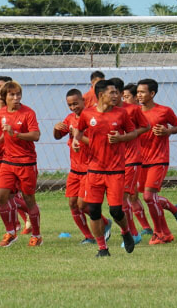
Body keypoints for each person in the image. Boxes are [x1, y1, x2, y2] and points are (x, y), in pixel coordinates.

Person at [74, 79, 139, 257]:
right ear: (101, 95)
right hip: (94, 171)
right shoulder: (88, 114)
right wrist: (75, 141)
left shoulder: (121, 114)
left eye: (117, 92)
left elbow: (133, 133)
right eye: (112, 93)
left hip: (115, 171)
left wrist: (120, 138)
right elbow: (78, 132)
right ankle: (102, 248)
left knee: (115, 210)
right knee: (93, 210)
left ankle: (126, 232)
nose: (116, 95)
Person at [54, 88, 112, 245]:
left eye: (75, 103)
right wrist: (56, 129)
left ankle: (104, 222)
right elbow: (59, 136)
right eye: (70, 105)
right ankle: (88, 236)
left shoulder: (92, 118)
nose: (73, 107)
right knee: (72, 203)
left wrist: (79, 135)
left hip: (89, 169)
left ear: (83, 101)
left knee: (82, 204)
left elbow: (98, 144)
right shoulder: (70, 118)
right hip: (74, 169)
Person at [136, 78, 177, 245]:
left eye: (142, 92)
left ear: (152, 93)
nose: (139, 95)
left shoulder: (164, 111)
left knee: (149, 196)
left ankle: (158, 233)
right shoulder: (135, 113)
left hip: (159, 159)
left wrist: (167, 131)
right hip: (140, 161)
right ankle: (170, 219)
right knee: (149, 197)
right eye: (138, 92)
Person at [0, 81, 42, 247]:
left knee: (29, 200)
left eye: (18, 95)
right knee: (1, 195)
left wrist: (17, 134)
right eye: (12, 95)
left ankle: (36, 235)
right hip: (7, 161)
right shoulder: (2, 112)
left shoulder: (28, 113)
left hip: (27, 162)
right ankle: (11, 232)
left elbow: (36, 135)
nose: (16, 98)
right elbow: (5, 134)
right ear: (5, 97)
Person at [0, 76, 31, 234]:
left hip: (15, 158)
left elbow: (12, 132)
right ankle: (20, 220)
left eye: (3, 87)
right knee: (4, 193)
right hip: (0, 156)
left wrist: (0, 141)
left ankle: (27, 216)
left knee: (8, 193)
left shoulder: (20, 111)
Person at [108, 78, 150, 248]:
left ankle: (134, 234)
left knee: (125, 197)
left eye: (113, 92)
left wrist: (126, 136)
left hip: (131, 159)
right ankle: (133, 231)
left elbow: (145, 126)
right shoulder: (107, 111)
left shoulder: (132, 110)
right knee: (122, 198)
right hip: (115, 162)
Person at [122, 83, 153, 234]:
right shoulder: (122, 112)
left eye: (127, 97)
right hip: (133, 159)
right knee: (132, 194)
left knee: (146, 195)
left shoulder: (136, 112)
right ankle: (145, 227)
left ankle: (172, 210)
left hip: (146, 160)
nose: (123, 100)